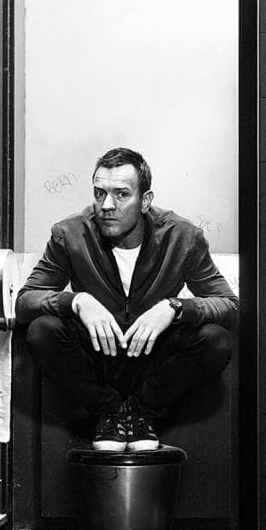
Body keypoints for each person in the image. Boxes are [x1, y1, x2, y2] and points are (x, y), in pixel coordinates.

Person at [17, 147, 237, 452]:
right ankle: (109, 412)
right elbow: (26, 300)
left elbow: (228, 304)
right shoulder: (70, 234)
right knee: (42, 330)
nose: (107, 205)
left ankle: (138, 413)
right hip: (98, 358)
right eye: (99, 194)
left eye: (121, 194)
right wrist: (77, 301)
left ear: (145, 201)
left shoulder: (182, 236)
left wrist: (174, 308)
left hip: (152, 361)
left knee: (215, 340)